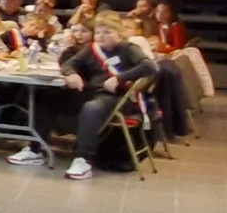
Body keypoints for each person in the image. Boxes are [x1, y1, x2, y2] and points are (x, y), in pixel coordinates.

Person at [59, 16, 160, 182]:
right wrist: (72, 74)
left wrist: (119, 78)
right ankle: (35, 148)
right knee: (47, 99)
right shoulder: (91, 49)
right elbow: (67, 65)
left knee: (91, 108)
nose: (100, 36)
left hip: (116, 97)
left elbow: (150, 66)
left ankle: (84, 159)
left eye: (107, 32)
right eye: (98, 32)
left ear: (120, 34)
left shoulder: (127, 48)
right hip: (92, 91)